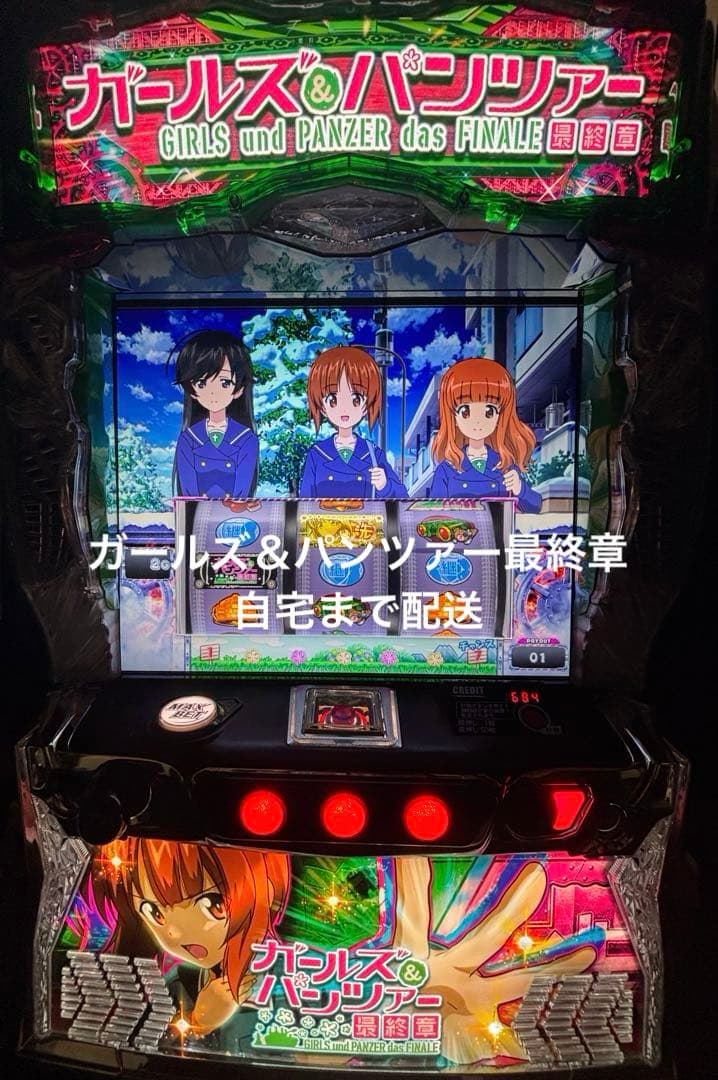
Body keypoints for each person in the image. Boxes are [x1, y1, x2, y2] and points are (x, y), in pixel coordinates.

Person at [93, 838, 289, 1040]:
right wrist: (200, 1023)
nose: (175, 932)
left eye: (212, 905)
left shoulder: (294, 975)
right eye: (154, 913)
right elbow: (151, 1039)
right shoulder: (179, 980)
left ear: (266, 893)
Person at [429, 357, 542, 512]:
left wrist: (520, 488)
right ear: (453, 417)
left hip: (500, 528)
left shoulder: (504, 464)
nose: (477, 421)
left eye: (489, 411)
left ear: (500, 416)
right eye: (465, 411)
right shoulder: (447, 469)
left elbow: (535, 506)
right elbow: (433, 514)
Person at [299, 346, 408, 499]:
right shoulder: (317, 454)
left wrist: (385, 485)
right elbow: (304, 501)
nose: (344, 408)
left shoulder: (373, 454)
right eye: (333, 400)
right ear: (322, 406)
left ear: (367, 405)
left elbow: (403, 498)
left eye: (356, 399)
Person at [172, 330, 258, 498]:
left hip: (235, 513)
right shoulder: (188, 439)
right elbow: (188, 493)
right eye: (201, 383)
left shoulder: (247, 438)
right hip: (197, 512)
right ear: (191, 390)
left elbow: (243, 490)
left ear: (239, 389)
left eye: (224, 383)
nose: (213, 393)